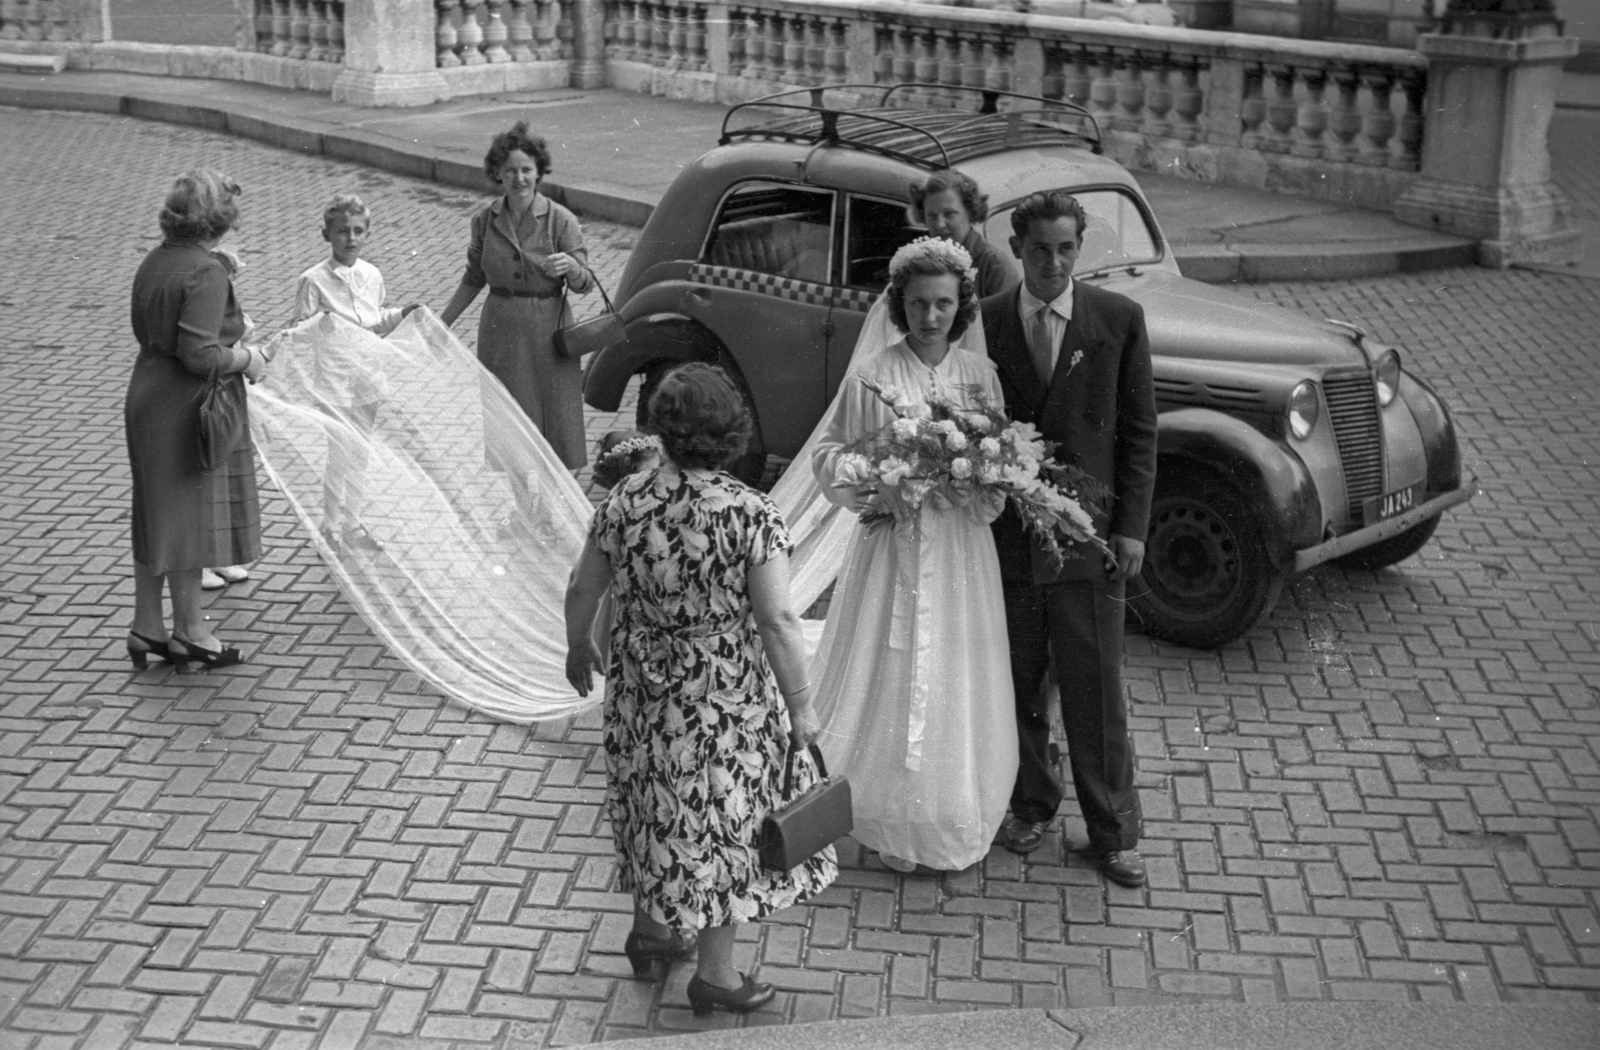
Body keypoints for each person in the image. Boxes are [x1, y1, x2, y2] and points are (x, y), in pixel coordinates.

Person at [564, 364, 836, 1016]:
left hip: (640, 686)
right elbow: (775, 619)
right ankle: (716, 974)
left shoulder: (625, 501)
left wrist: (579, 648)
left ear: (661, 426)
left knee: (651, 800)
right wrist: (802, 708)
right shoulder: (751, 515)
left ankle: (651, 935)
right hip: (723, 695)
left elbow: (583, 589)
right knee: (721, 824)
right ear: (730, 431)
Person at [808, 237, 1019, 874]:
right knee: (890, 667)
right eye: (920, 304)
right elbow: (831, 453)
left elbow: (1002, 469)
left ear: (962, 306)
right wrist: (876, 480)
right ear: (901, 305)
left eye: (945, 304)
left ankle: (945, 815)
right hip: (892, 545)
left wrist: (978, 483)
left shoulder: (980, 377)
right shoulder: (873, 373)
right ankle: (884, 816)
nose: (932, 317)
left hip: (957, 551)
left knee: (953, 668)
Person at [980, 191, 1157, 887]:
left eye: (1065, 249)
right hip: (1013, 539)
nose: (1052, 263)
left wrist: (1132, 529)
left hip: (1091, 542)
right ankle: (1032, 804)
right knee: (1021, 683)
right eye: (1037, 250)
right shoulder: (989, 323)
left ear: (1080, 250)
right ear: (1017, 250)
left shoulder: (1117, 321)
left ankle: (1113, 831)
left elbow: (1140, 434)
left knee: (1096, 689)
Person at [125, 169, 266, 672]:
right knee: (186, 519)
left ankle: (148, 626)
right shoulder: (206, 272)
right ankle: (190, 630)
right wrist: (247, 359)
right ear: (218, 220)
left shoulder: (157, 259)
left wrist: (215, 267)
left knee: (156, 516)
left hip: (147, 392)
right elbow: (201, 354)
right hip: (185, 404)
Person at [439, 122, 594, 485]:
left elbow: (586, 282)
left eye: (526, 169)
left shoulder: (560, 219)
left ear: (539, 171)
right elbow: (474, 277)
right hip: (502, 328)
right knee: (511, 419)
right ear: (497, 173)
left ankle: (555, 509)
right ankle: (523, 509)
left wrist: (572, 267)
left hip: (550, 329)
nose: (519, 178)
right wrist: (440, 323)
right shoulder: (484, 220)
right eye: (510, 170)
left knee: (556, 418)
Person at [291, 193, 421, 553]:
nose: (350, 238)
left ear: (367, 234)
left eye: (358, 231)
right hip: (333, 378)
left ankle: (354, 523)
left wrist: (401, 314)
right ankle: (330, 524)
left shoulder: (371, 275)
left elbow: (375, 320)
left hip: (366, 373)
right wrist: (321, 327)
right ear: (326, 234)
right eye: (342, 231)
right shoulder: (313, 280)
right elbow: (298, 329)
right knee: (338, 451)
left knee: (360, 451)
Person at [909, 169, 1016, 299]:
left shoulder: (993, 265)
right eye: (932, 216)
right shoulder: (919, 260)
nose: (939, 224)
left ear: (970, 212)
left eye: (949, 214)